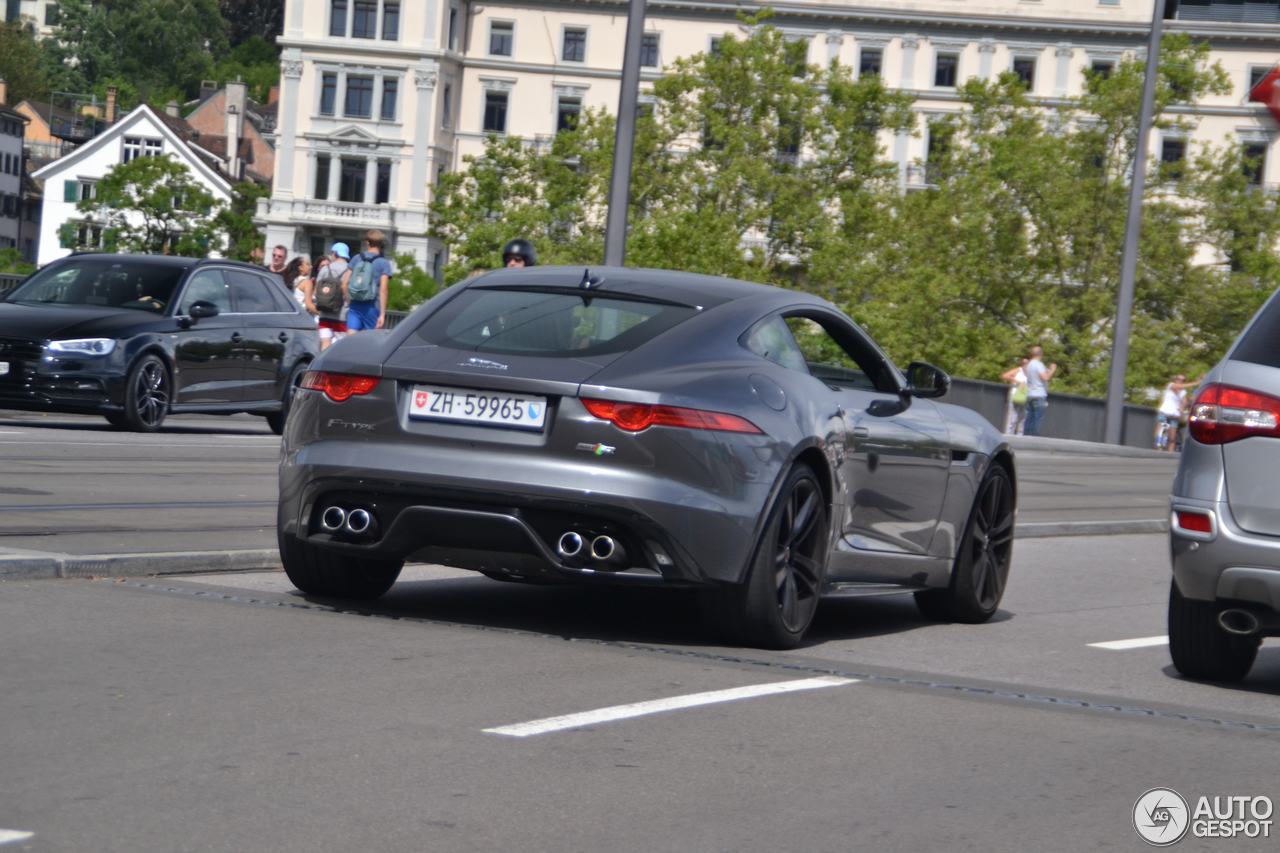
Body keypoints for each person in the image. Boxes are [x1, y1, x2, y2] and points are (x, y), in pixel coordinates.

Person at [342, 230, 392, 332]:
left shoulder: (356, 258)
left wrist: (350, 302)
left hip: (355, 305)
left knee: (351, 340)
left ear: (367, 242)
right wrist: (382, 314)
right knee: (370, 343)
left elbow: (344, 284)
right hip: (372, 307)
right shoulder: (384, 263)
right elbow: (383, 290)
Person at [313, 242, 351, 350]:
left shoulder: (325, 269)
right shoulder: (350, 270)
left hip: (325, 313)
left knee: (325, 342)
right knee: (340, 347)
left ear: (335, 253)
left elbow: (316, 291)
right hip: (342, 315)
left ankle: (322, 365)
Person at [1156, 374, 1198, 452]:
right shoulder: (1171, 385)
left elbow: (1184, 401)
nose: (1180, 381)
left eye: (1183, 380)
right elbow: (1177, 387)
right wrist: (1195, 383)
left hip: (1174, 415)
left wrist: (1182, 409)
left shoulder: (1183, 392)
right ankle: (1158, 448)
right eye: (1179, 379)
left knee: (1172, 438)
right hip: (1164, 412)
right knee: (1159, 434)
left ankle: (1169, 454)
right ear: (1175, 380)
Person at [1023, 344, 1057, 437]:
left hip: (1029, 393)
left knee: (1029, 417)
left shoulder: (1028, 365)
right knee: (1037, 418)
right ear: (1040, 354)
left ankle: (1026, 436)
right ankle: (1033, 437)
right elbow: (1045, 377)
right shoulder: (1038, 364)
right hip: (1039, 394)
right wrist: (1052, 370)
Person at [282, 257, 318, 322]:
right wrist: (322, 314)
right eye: (308, 264)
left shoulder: (294, 281)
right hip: (306, 318)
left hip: (296, 317)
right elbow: (309, 305)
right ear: (300, 267)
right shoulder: (307, 282)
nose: (311, 267)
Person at [1001, 357, 1030, 435]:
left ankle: (1020, 435)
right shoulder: (1018, 370)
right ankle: (1009, 434)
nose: (1025, 365)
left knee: (1022, 417)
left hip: (1025, 397)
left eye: (1027, 363)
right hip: (1015, 396)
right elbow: (1004, 376)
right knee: (1012, 417)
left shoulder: (1030, 373)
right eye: (1024, 363)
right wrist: (1017, 381)